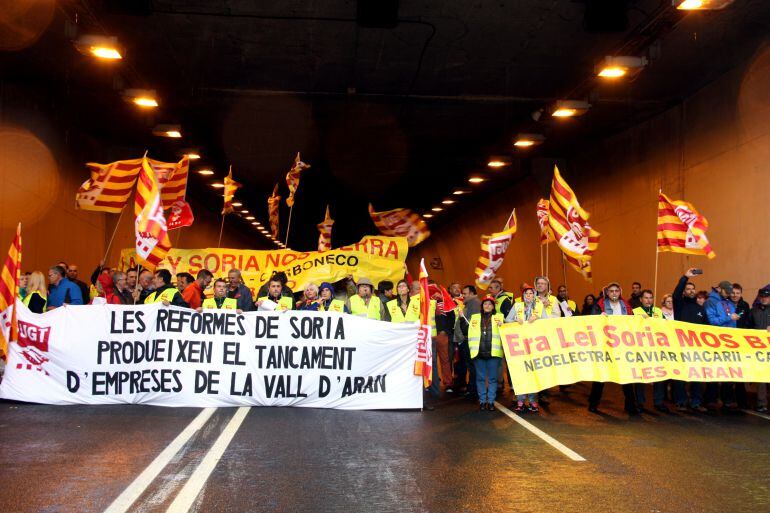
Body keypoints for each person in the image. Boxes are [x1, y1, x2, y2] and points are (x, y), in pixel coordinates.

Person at [588, 282, 638, 414]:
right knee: (601, 375)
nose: (614, 293)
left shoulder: (626, 305)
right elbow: (591, 321)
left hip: (622, 345)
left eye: (616, 291)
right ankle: (593, 403)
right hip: (605, 344)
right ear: (607, 293)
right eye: (611, 291)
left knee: (626, 375)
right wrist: (599, 318)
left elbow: (632, 322)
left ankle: (630, 405)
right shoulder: (600, 305)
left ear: (620, 292)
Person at [671, 269, 708, 412]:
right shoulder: (680, 304)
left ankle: (696, 402)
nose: (691, 291)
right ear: (684, 292)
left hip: (697, 348)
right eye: (688, 289)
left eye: (693, 289)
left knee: (697, 375)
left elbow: (707, 328)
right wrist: (685, 277)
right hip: (681, 346)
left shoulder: (701, 309)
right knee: (680, 375)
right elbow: (676, 294)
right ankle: (681, 401)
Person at [704, 280, 739, 410]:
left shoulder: (729, 302)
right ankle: (711, 399)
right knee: (715, 370)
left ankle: (727, 399)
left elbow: (733, 323)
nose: (729, 294)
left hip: (729, 342)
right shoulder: (710, 302)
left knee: (729, 371)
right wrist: (729, 318)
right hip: (716, 341)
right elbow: (712, 321)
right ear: (719, 289)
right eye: (727, 292)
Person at [632, 289, 669, 413]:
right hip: (641, 348)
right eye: (646, 298)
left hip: (657, 348)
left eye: (650, 298)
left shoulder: (658, 311)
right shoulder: (635, 312)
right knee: (641, 376)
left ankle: (658, 402)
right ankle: (640, 402)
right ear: (641, 299)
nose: (648, 300)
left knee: (659, 375)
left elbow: (666, 327)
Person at [509, 284, 543, 413]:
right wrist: (515, 319)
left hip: (535, 345)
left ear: (534, 295)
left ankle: (533, 401)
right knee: (521, 372)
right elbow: (507, 320)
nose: (528, 296)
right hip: (519, 345)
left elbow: (548, 322)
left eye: (531, 293)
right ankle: (520, 400)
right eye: (526, 294)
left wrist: (538, 318)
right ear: (523, 296)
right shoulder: (517, 306)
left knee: (533, 373)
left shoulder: (539, 307)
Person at [469, 295, 504, 411]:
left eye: (490, 304)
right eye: (485, 304)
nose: (487, 306)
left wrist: (503, 326)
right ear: (482, 306)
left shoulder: (500, 317)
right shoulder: (474, 317)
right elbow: (466, 331)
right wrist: (461, 318)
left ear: (493, 306)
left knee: (493, 379)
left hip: (493, 353)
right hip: (478, 353)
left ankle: (491, 402)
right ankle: (483, 401)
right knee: (480, 379)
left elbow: (506, 331)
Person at [454, 285, 480, 398]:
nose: (462, 295)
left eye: (465, 293)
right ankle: (472, 389)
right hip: (467, 339)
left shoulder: (474, 303)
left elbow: (470, 324)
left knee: (472, 366)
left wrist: (464, 336)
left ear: (472, 293)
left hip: (469, 339)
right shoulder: (470, 303)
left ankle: (473, 390)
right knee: (471, 366)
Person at [747, 287, 770, 412]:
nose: (764, 299)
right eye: (762, 296)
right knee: (761, 377)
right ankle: (762, 404)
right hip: (758, 349)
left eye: (766, 296)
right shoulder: (753, 311)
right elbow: (747, 328)